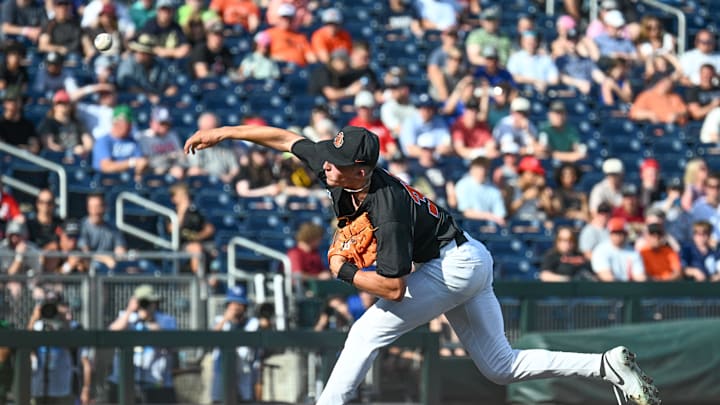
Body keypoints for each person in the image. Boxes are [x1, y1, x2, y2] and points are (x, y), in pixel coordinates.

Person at [184, 124, 660, 405]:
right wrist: (223, 133)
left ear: (362, 170)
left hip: (451, 266)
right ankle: (607, 366)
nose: (326, 166)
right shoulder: (342, 172)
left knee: (364, 333)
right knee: (501, 366)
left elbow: (392, 289)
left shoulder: (386, 209)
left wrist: (342, 270)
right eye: (329, 157)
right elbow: (286, 139)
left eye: (338, 162)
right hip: (468, 256)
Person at [107, 285, 177, 403]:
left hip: (156, 382)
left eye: (149, 302)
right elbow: (112, 332)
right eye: (143, 302)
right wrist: (130, 310)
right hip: (126, 381)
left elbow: (173, 343)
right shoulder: (127, 317)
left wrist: (150, 320)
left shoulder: (165, 320)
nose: (146, 305)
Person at [27, 290, 92, 405]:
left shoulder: (74, 327)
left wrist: (63, 319)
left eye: (57, 305)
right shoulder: (38, 326)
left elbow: (74, 347)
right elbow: (26, 345)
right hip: (39, 387)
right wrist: (34, 318)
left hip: (63, 388)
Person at [211, 286, 262, 403]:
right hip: (222, 367)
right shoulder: (219, 320)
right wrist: (226, 319)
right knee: (218, 400)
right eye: (233, 303)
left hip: (245, 368)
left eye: (240, 304)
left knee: (246, 399)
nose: (236, 307)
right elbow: (211, 338)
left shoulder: (252, 322)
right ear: (228, 305)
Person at [168, 182, 215, 274]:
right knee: (196, 248)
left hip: (199, 241)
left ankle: (213, 279)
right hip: (181, 244)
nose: (185, 198)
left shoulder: (195, 212)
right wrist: (181, 211)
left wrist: (199, 236)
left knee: (215, 250)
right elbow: (172, 229)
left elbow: (209, 228)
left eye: (185, 195)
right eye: (181, 196)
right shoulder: (172, 214)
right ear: (174, 199)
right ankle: (198, 278)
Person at [92, 105, 148, 179]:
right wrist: (132, 163)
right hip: (106, 182)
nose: (130, 126)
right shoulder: (103, 141)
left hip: (129, 182)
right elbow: (106, 167)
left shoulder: (133, 141)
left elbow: (141, 162)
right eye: (127, 123)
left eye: (130, 123)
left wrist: (140, 171)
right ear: (116, 122)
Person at [37, 89, 94, 160]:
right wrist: (69, 151)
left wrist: (83, 149)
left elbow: (88, 143)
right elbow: (49, 145)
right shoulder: (48, 123)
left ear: (70, 105)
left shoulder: (77, 123)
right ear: (54, 105)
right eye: (59, 103)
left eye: (65, 103)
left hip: (76, 160)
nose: (62, 106)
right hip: (55, 160)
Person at [77, 193, 127, 271]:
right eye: (92, 207)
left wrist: (120, 257)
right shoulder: (82, 226)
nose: (95, 211)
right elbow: (86, 253)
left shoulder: (112, 228)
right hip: (91, 266)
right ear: (88, 208)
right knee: (97, 266)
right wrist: (105, 259)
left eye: (98, 206)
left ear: (105, 207)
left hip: (112, 264)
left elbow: (120, 251)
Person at [450, 157, 506, 226]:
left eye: (484, 168)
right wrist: (490, 216)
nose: (481, 172)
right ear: (472, 169)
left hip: (490, 229)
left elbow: (500, 215)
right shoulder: (463, 185)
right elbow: (466, 212)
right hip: (468, 226)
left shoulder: (494, 190)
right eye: (478, 168)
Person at [186, 112, 240, 183]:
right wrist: (219, 177)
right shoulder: (194, 146)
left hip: (224, 184)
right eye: (206, 128)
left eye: (212, 128)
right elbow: (195, 170)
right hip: (203, 182)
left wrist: (230, 176)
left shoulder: (224, 146)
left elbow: (235, 168)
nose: (209, 132)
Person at [347, 91, 398, 162]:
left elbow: (391, 147)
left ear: (373, 108)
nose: (364, 111)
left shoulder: (381, 125)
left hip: (383, 161)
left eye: (367, 108)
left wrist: (390, 155)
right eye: (361, 108)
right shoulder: (353, 125)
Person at [591, 217, 647, 282]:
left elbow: (639, 276)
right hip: (608, 288)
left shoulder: (633, 252)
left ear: (626, 234)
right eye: (615, 232)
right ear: (610, 234)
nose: (618, 236)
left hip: (629, 287)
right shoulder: (601, 250)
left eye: (621, 232)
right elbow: (605, 276)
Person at [138, 106, 186, 179]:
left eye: (167, 124)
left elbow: (180, 155)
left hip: (170, 166)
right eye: (162, 123)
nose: (165, 126)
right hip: (152, 169)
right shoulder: (143, 137)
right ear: (152, 122)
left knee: (179, 171)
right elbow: (147, 160)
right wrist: (169, 156)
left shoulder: (172, 135)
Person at [0, 87, 39, 153]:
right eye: (10, 100)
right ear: (4, 103)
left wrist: (26, 149)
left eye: (16, 100)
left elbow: (35, 147)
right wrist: (18, 149)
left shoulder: (28, 125)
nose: (13, 103)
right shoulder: (1, 123)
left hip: (25, 160)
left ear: (21, 103)